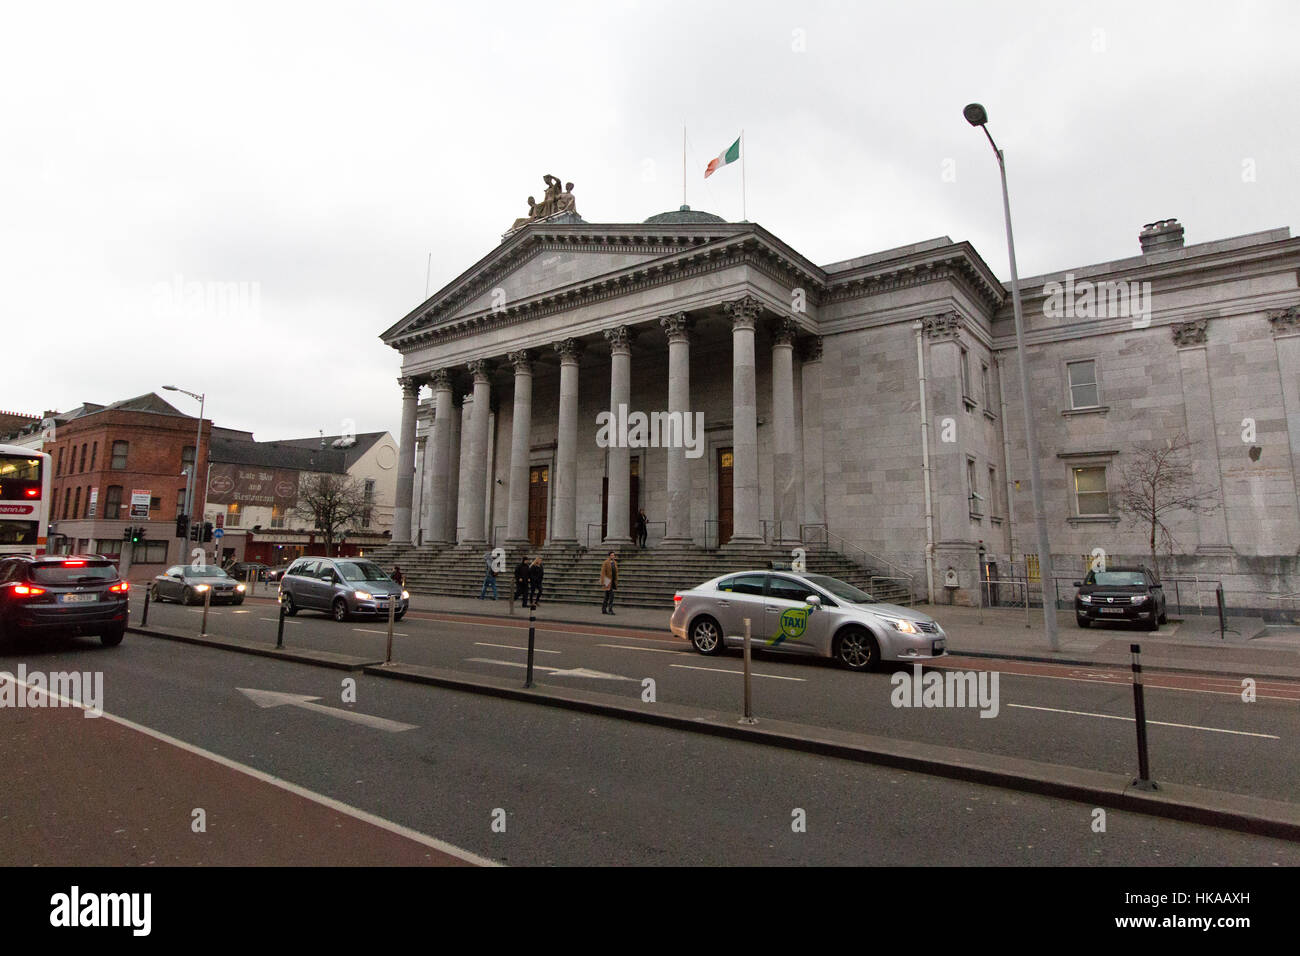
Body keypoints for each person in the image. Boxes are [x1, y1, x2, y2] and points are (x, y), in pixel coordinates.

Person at [600, 551, 618, 615]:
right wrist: (603, 582)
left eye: (613, 555)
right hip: (607, 581)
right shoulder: (606, 562)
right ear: (609, 556)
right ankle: (610, 610)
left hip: (613, 581)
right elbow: (603, 572)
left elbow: (615, 572)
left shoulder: (615, 562)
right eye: (612, 555)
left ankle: (603, 609)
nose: (613, 556)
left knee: (606, 596)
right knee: (611, 596)